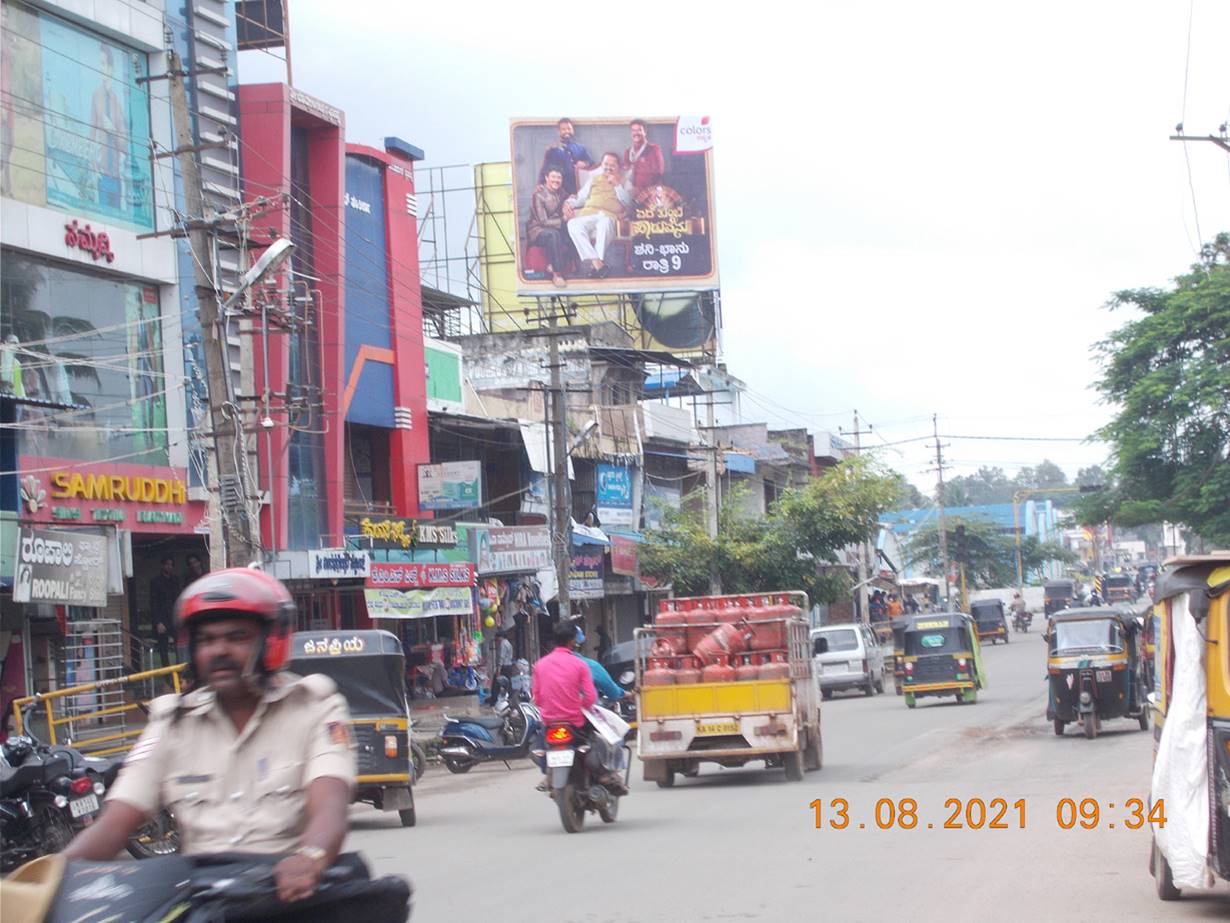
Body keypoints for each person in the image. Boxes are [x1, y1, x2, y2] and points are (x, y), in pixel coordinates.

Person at [63, 568, 356, 905]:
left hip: (289, 900)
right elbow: (115, 822)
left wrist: (310, 858)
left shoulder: (315, 707)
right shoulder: (172, 721)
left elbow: (330, 808)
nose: (220, 650)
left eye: (237, 637)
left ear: (270, 642)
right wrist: (51, 877)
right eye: (207, 640)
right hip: (204, 902)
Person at [531, 622, 626, 794]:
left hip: (550, 721)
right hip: (577, 720)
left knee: (542, 740)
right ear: (574, 642)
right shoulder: (583, 665)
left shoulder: (540, 665)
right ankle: (605, 773)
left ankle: (548, 774)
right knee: (607, 736)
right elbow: (590, 698)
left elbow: (537, 698)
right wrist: (578, 705)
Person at [565, 152, 634, 277]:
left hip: (609, 216)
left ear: (618, 167)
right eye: (606, 164)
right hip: (589, 214)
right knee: (572, 224)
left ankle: (596, 266)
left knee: (604, 223)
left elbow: (629, 202)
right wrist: (568, 203)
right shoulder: (593, 180)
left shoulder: (624, 182)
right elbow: (580, 198)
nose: (608, 167)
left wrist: (617, 185)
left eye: (612, 165)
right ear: (601, 165)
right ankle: (598, 264)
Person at [528, 166, 569, 287]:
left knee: (573, 235)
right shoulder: (539, 194)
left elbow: (568, 199)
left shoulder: (561, 192)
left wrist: (571, 199)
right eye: (553, 177)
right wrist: (563, 220)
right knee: (553, 235)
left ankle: (552, 265)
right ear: (546, 178)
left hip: (555, 227)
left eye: (559, 177)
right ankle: (557, 274)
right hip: (538, 230)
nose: (556, 180)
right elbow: (543, 222)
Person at [538, 117, 592, 196]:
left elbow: (591, 162)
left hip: (579, 187)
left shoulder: (580, 148)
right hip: (560, 189)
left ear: (573, 130)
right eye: (563, 129)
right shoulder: (552, 150)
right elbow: (545, 169)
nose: (567, 131)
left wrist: (585, 163)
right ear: (559, 132)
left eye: (569, 129)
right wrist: (540, 183)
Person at [148, 557, 180, 668]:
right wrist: (158, 622)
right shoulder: (156, 581)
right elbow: (154, 603)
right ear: (162, 565)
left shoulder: (175, 580)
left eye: (171, 565)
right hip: (162, 618)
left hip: (174, 618)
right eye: (167, 564)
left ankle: (180, 673)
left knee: (179, 647)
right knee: (163, 649)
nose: (169, 567)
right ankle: (167, 676)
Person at [622, 118, 664, 194]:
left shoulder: (654, 149)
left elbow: (659, 173)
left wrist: (641, 190)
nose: (636, 133)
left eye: (639, 130)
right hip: (632, 194)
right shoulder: (627, 152)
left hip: (651, 194)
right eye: (633, 130)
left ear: (645, 132)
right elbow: (626, 175)